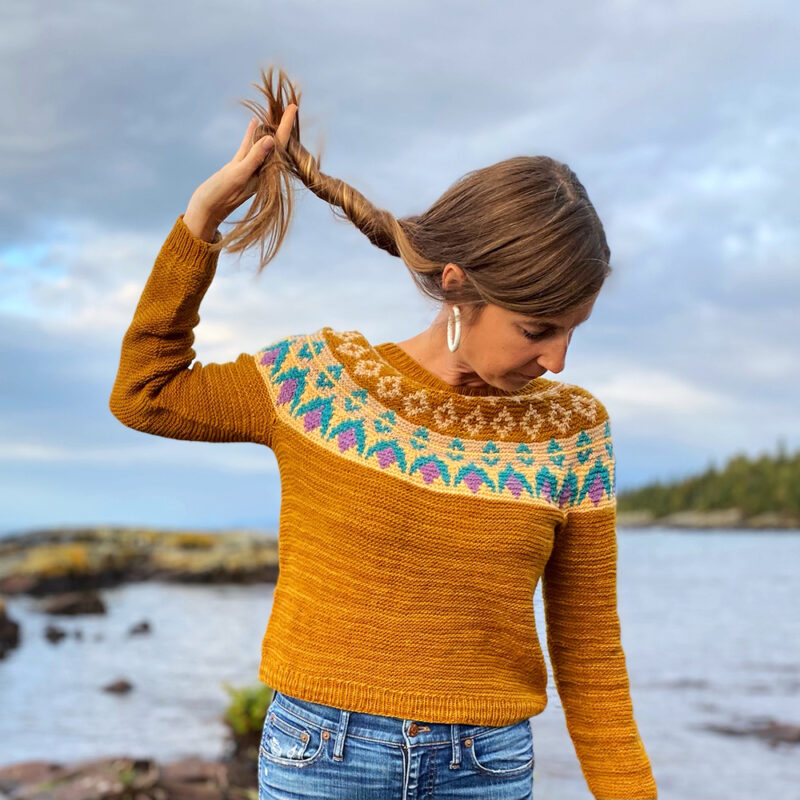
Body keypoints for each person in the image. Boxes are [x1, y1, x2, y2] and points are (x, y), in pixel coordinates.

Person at [109, 66, 657, 800]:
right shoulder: (318, 385)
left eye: (572, 331)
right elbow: (145, 393)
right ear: (457, 285)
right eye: (537, 330)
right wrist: (199, 226)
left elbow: (590, 652)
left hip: (486, 770)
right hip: (320, 758)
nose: (557, 360)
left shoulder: (572, 431)